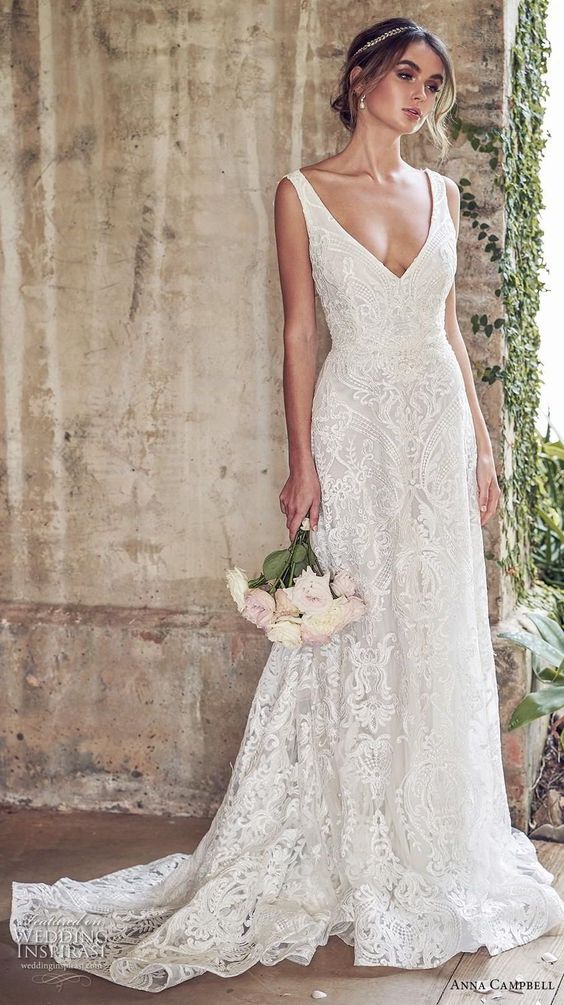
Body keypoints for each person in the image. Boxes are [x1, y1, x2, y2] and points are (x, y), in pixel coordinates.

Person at [9, 16, 564, 994]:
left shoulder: (438, 190)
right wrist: (303, 461)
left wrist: (482, 448)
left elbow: (449, 337)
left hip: (436, 436)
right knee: (349, 629)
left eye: (433, 86)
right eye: (406, 76)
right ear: (360, 79)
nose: (420, 98)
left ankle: (431, 842)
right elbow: (300, 337)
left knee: (432, 629)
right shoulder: (302, 192)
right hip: (352, 433)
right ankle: (343, 841)